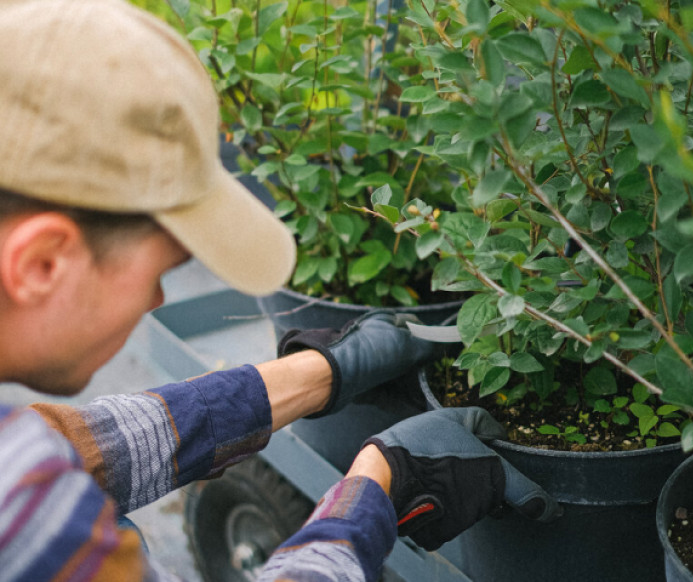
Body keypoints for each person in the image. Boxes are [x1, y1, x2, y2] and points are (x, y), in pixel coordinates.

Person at [0, 1, 559, 581]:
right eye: (160, 272)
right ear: (41, 264)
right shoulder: (32, 515)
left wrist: (317, 375)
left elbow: (66, 448)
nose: (158, 301)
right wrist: (372, 492)